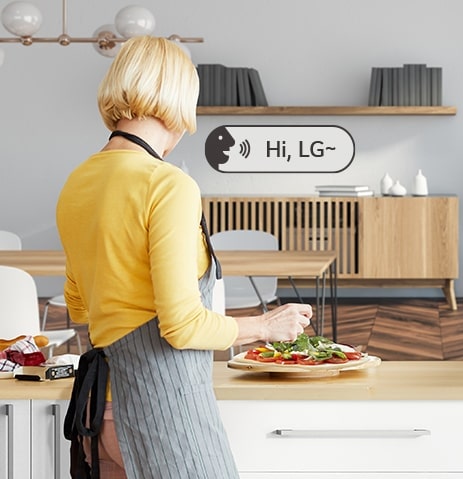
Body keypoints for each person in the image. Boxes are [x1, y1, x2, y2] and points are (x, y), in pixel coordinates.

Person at [56, 36, 312, 479]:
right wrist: (265, 327)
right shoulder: (168, 185)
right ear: (177, 99)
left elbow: (80, 307)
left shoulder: (77, 182)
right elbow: (181, 325)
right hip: (163, 415)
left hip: (99, 419)